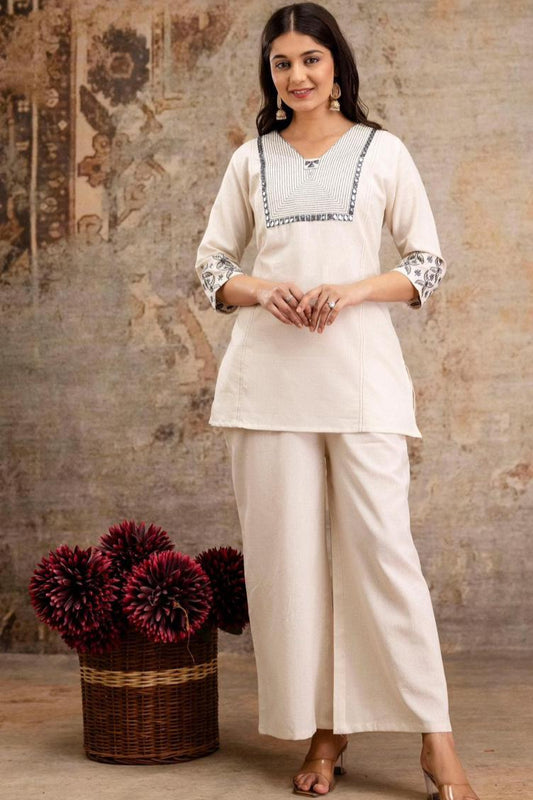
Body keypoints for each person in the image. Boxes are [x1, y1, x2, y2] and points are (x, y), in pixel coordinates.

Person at [194, 3, 480, 798]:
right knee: (291, 569)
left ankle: (436, 739)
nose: (298, 76)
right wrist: (262, 290)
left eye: (311, 59)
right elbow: (212, 265)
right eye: (282, 62)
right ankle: (326, 734)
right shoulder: (250, 161)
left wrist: (352, 291)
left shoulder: (382, 152)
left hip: (359, 378)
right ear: (270, 75)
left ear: (336, 65)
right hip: (266, 387)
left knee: (383, 556)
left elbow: (424, 263)